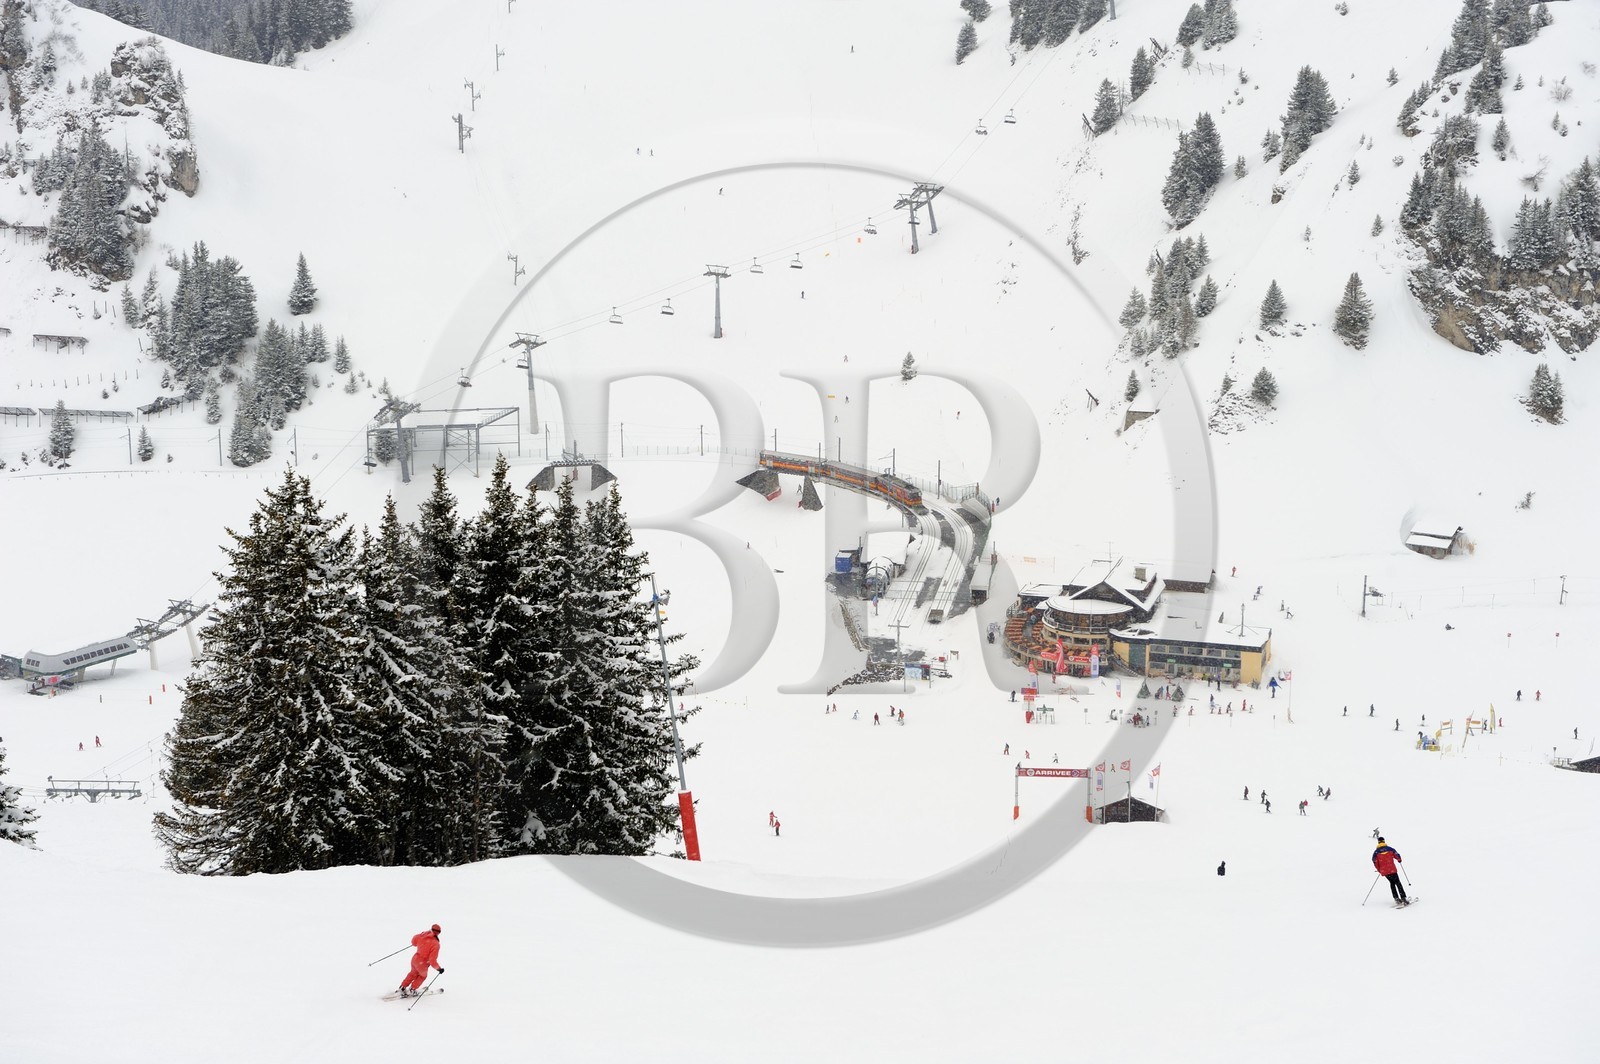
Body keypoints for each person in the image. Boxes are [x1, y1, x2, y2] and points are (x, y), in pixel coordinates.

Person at [397, 924, 443, 997]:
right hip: (423, 963)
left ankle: (402, 987)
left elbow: (414, 942)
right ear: (438, 933)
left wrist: (419, 942)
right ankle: (413, 989)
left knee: (412, 973)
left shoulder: (422, 935)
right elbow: (432, 960)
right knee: (422, 976)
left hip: (415, 959)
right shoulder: (435, 944)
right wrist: (439, 969)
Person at [1372, 838, 1408, 905]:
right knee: (1398, 882)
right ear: (1384, 841)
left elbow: (1374, 862)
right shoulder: (1390, 849)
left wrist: (1379, 870)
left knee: (1392, 883)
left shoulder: (1376, 852)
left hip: (1384, 871)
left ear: (1378, 842)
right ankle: (1403, 898)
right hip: (1392, 869)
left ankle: (1396, 898)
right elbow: (1397, 854)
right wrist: (1399, 860)